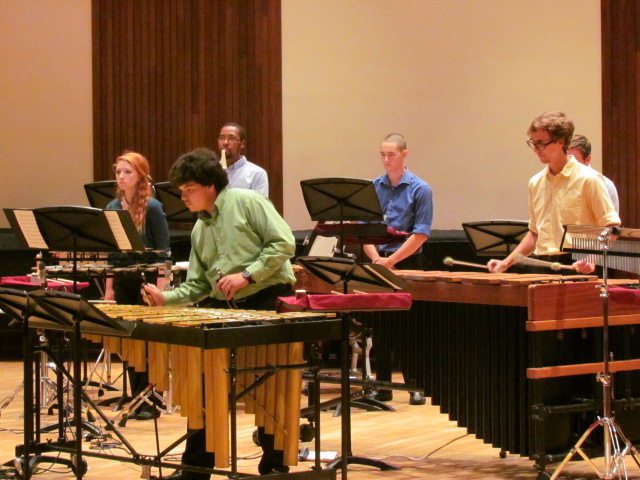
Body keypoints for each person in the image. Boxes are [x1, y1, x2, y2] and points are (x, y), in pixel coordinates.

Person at [143, 147, 296, 480]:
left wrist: (248, 274)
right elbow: (198, 285)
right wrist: (165, 299)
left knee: (268, 385)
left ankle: (275, 466)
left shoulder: (247, 202)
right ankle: (195, 469)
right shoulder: (199, 229)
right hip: (225, 308)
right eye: (180, 190)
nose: (182, 196)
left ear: (210, 185)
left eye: (189, 189)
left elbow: (284, 243)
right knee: (203, 384)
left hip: (266, 299)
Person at [487, 111, 620, 274]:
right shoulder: (536, 183)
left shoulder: (588, 179)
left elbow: (612, 228)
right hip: (543, 264)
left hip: (578, 265)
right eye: (533, 143)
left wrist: (591, 260)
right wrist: (506, 263)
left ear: (561, 142)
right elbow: (535, 233)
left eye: (541, 143)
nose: (536, 150)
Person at [363, 133, 434, 406]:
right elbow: (365, 230)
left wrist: (391, 261)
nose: (385, 160)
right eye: (382, 154)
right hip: (378, 262)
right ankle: (382, 386)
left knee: (410, 328)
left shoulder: (420, 189)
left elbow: (420, 234)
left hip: (406, 262)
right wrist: (376, 258)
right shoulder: (373, 187)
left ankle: (415, 384)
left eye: (390, 155)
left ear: (404, 155)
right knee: (380, 328)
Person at [105, 151, 171, 420]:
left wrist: (161, 288)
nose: (121, 176)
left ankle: (151, 401)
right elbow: (111, 254)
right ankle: (134, 395)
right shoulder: (112, 208)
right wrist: (109, 290)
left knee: (148, 343)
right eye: (118, 171)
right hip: (122, 281)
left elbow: (164, 251)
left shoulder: (153, 207)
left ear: (140, 176)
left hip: (146, 283)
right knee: (129, 341)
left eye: (127, 172)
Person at [568, 134, 620, 213]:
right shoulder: (558, 182)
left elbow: (610, 224)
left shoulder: (605, 185)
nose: (569, 164)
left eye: (574, 160)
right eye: (567, 160)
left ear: (587, 160)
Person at [218, 122, 269, 196]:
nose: (225, 142)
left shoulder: (257, 174)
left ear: (242, 144)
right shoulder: (210, 171)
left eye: (231, 138)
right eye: (222, 138)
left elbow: (258, 206)